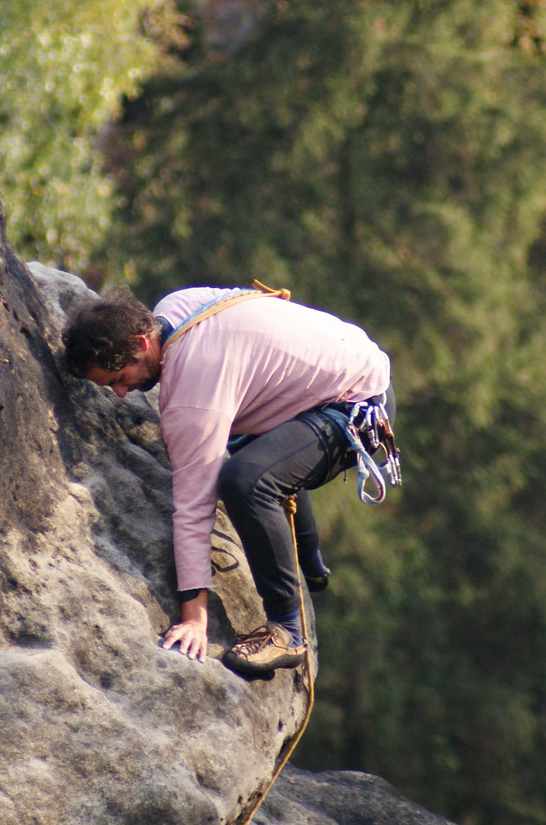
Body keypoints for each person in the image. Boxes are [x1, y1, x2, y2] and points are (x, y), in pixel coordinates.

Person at [62, 284, 394, 675]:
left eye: (121, 375)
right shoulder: (177, 304)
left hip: (358, 408)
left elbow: (192, 507)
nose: (120, 392)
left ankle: (287, 630)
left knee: (245, 481)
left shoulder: (191, 395)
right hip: (347, 361)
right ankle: (312, 561)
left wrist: (194, 617)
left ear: (140, 340)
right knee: (238, 430)